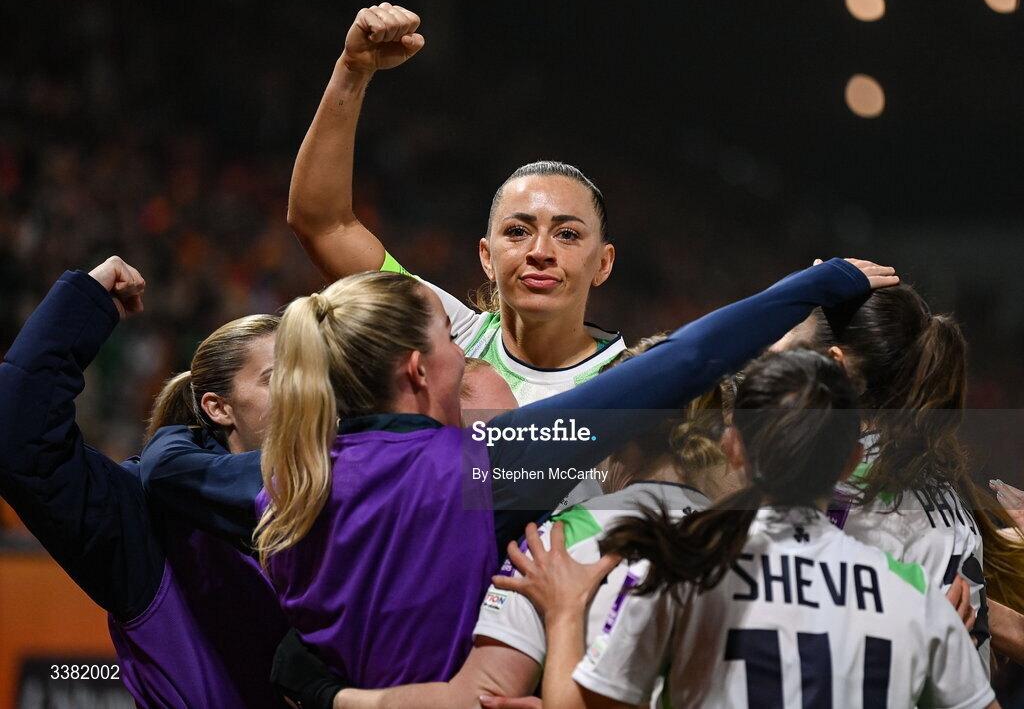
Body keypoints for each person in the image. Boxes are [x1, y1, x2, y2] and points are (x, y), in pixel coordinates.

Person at [140, 257, 898, 699]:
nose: (466, 355)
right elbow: (685, 363)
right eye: (449, 340)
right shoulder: (489, 467)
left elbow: (164, 466)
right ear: (417, 367)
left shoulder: (281, 482)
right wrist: (816, 282)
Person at [497, 349, 998, 709]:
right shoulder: (915, 595)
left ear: (734, 446)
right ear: (848, 463)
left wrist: (564, 613)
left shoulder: (677, 566)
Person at [292, 340, 736, 709]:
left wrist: (327, 696)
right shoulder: (767, 536)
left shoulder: (556, 547)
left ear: (616, 435)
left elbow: (476, 700)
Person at [285, 3, 623, 408]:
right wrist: (352, 71)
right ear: (486, 256)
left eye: (567, 234)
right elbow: (322, 224)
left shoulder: (635, 385)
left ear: (603, 263)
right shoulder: (448, 335)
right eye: (517, 231)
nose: (540, 252)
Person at [0, 256, 289, 708]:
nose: (304, 391)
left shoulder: (344, 494)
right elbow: (18, 436)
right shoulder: (149, 519)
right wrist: (83, 305)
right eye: (278, 378)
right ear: (219, 408)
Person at [779, 283, 1024, 670]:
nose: (773, 364)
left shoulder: (846, 491)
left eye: (789, 347)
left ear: (835, 364)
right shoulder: (933, 475)